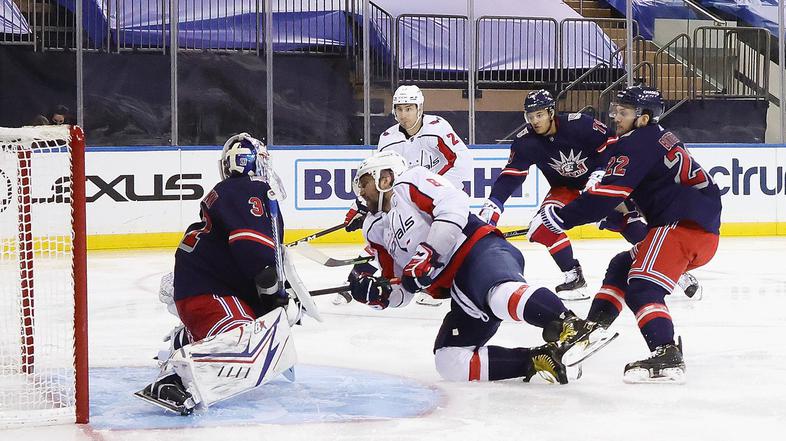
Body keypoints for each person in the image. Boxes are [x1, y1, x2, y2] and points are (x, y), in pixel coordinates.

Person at [348, 150, 617, 384]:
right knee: (450, 361)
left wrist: (428, 253)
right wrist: (378, 294)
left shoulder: (410, 181)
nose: (360, 191)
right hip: (459, 288)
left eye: (364, 182)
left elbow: (453, 205)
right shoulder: (374, 229)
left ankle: (570, 325)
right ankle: (538, 360)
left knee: (497, 294)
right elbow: (402, 286)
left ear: (385, 178)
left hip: (479, 251)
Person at [536, 86, 722, 383]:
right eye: (616, 111)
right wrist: (613, 209)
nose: (616, 117)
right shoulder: (656, 137)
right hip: (689, 227)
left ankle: (666, 353)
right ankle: (593, 328)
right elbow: (631, 194)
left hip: (683, 227)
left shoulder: (636, 142)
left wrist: (558, 218)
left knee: (642, 287)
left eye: (624, 112)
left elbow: (609, 196)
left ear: (644, 117)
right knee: (622, 265)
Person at [136, 133, 313, 414]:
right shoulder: (249, 189)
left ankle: (189, 340)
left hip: (205, 290)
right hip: (211, 293)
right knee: (251, 345)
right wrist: (272, 292)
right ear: (251, 162)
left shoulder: (232, 192)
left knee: (264, 329)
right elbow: (251, 248)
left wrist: (274, 297)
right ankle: (175, 380)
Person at [478, 89, 701, 300]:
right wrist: (494, 205)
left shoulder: (580, 125)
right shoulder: (525, 141)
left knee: (625, 220)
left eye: (539, 114)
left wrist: (600, 173)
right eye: (530, 116)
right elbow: (511, 176)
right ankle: (574, 277)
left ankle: (672, 268)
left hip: (602, 183)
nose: (535, 121)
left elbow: (613, 143)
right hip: (564, 189)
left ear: (551, 112)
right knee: (545, 224)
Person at [343, 84, 472, 307]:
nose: (404, 115)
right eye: (400, 109)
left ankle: (432, 284)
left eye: (409, 108)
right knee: (385, 240)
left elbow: (462, 160)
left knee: (438, 244)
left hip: (432, 202)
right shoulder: (388, 138)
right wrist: (361, 207)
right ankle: (363, 283)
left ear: (419, 108)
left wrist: (435, 188)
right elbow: (377, 175)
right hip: (403, 203)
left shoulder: (437, 127)